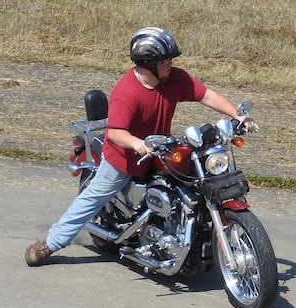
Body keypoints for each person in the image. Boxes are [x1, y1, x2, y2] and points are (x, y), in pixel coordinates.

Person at [25, 26, 254, 267]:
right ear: (147, 62)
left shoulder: (174, 78)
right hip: (124, 159)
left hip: (160, 149)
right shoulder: (127, 93)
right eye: (165, 60)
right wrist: (137, 143)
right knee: (92, 200)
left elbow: (206, 95)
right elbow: (114, 132)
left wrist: (237, 116)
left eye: (171, 59)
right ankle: (50, 243)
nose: (171, 64)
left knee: (195, 179)